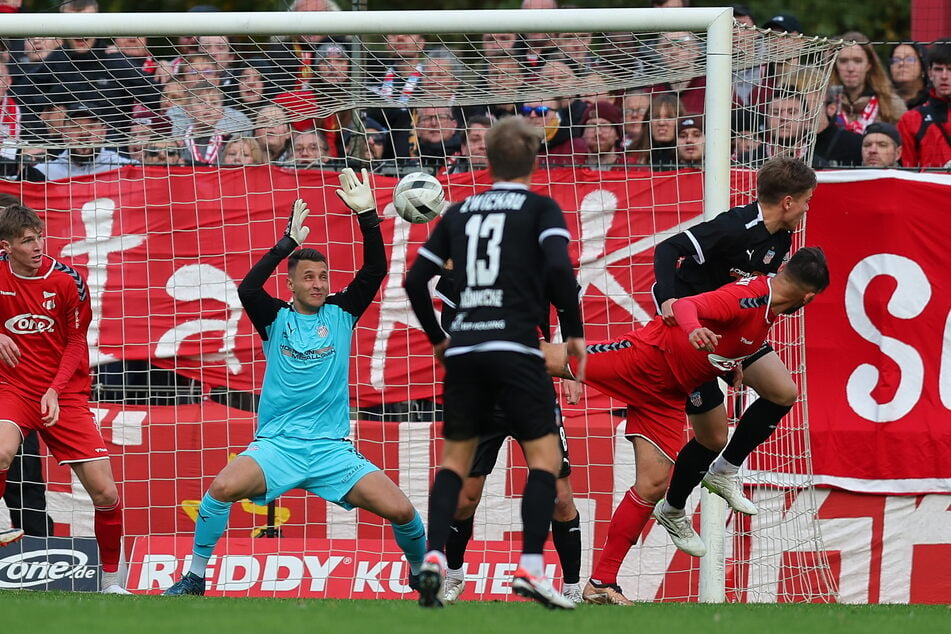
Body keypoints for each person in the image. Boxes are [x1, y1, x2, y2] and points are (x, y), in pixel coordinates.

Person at [163, 169, 426, 597]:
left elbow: (375, 268)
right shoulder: (275, 318)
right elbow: (249, 287)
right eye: (309, 277)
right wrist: (287, 243)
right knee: (221, 489)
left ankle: (419, 571)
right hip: (277, 447)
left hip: (331, 450)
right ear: (291, 284)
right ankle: (194, 576)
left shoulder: (342, 311)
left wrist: (367, 215)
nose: (318, 284)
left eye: (323, 277)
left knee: (402, 511)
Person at [577, 156, 817, 604]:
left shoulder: (781, 239)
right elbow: (669, 249)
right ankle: (673, 508)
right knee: (708, 437)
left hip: (727, 338)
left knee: (783, 391)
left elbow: (754, 302)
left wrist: (741, 352)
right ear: (787, 201)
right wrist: (670, 300)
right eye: (805, 201)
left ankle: (722, 473)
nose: (807, 209)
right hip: (689, 339)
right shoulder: (734, 227)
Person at [543, 247, 829, 562]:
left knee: (652, 486)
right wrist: (694, 331)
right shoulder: (748, 296)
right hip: (645, 360)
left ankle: (601, 584)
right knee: (544, 358)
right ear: (808, 298)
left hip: (666, 398)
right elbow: (686, 305)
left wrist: (730, 364)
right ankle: (486, 348)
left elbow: (732, 336)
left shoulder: (765, 312)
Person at [404, 116, 586, 610]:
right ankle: (530, 567)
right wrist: (573, 337)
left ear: (487, 160)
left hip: (466, 357)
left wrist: (439, 342)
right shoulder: (540, 208)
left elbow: (413, 279)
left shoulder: (459, 213)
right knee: (544, 466)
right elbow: (558, 272)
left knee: (453, 467)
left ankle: (434, 561)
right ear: (533, 157)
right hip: (516, 353)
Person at [0, 203, 128, 591]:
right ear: (6, 247)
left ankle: (111, 582)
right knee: (1, 452)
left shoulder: (68, 281)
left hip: (65, 393)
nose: (38, 245)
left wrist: (55, 389)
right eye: (27, 240)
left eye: (39, 235)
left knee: (105, 492)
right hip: (14, 388)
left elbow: (76, 341)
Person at [897, 41, 951, 169]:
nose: (944, 76)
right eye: (938, 69)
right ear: (930, 73)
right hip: (928, 188)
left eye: (950, 69)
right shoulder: (910, 120)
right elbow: (908, 173)